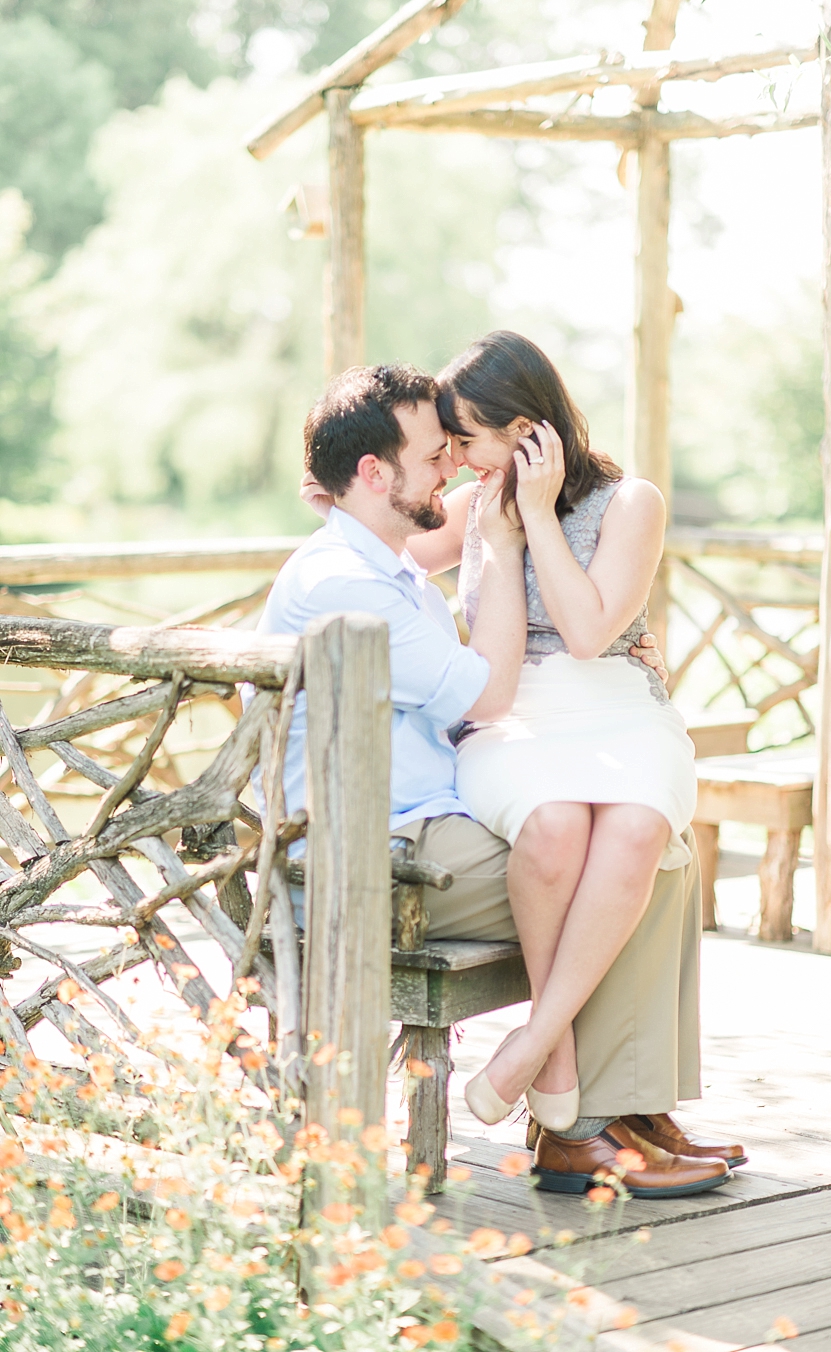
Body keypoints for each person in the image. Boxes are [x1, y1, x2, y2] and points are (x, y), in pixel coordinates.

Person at [262, 359, 745, 1198]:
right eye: (436, 450)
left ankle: (613, 1106)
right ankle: (580, 1123)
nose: (451, 465)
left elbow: (509, 573)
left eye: (458, 445)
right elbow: (488, 689)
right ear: (377, 474)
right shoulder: (354, 580)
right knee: (634, 859)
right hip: (374, 855)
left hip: (415, 815)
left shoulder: (387, 563)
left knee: (632, 833)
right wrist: (507, 532)